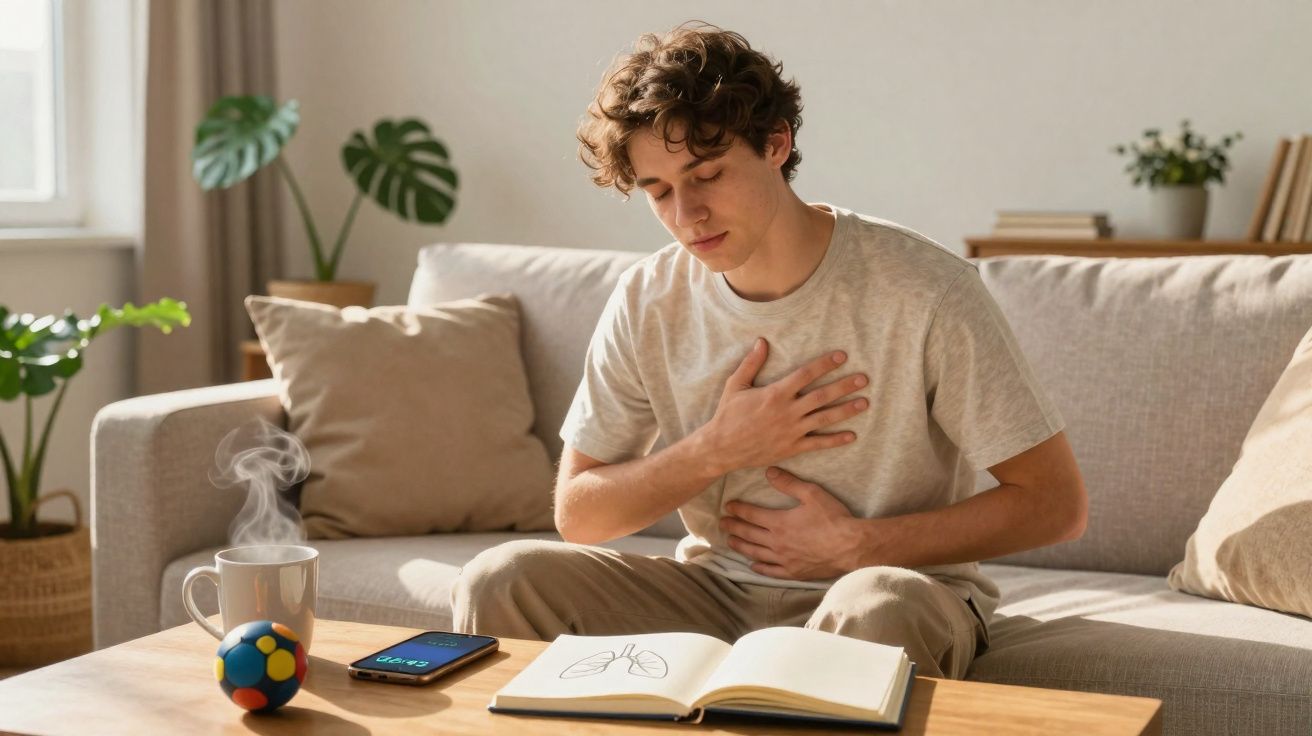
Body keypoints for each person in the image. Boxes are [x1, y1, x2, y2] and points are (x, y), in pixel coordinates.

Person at [450, 21, 1087, 680]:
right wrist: (718, 448)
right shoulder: (648, 299)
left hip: (891, 592)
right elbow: (579, 515)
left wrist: (858, 545)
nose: (686, 214)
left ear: (776, 144)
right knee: (502, 579)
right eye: (659, 190)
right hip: (717, 597)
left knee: (876, 604)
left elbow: (1055, 504)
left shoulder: (926, 290)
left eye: (708, 173)